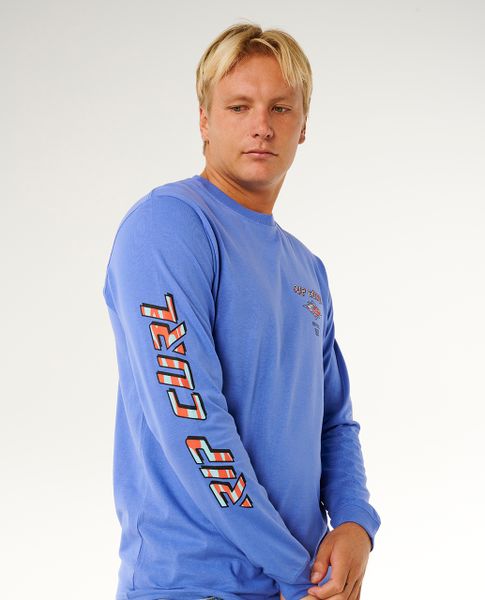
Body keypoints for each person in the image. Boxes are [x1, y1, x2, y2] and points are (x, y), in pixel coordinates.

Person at [102, 22, 381, 600]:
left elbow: (333, 421)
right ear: (204, 120)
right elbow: (192, 422)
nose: (262, 125)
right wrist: (298, 574)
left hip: (298, 584)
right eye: (239, 106)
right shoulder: (169, 226)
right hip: (193, 585)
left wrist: (355, 522)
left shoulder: (306, 269)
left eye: (281, 107)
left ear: (303, 125)